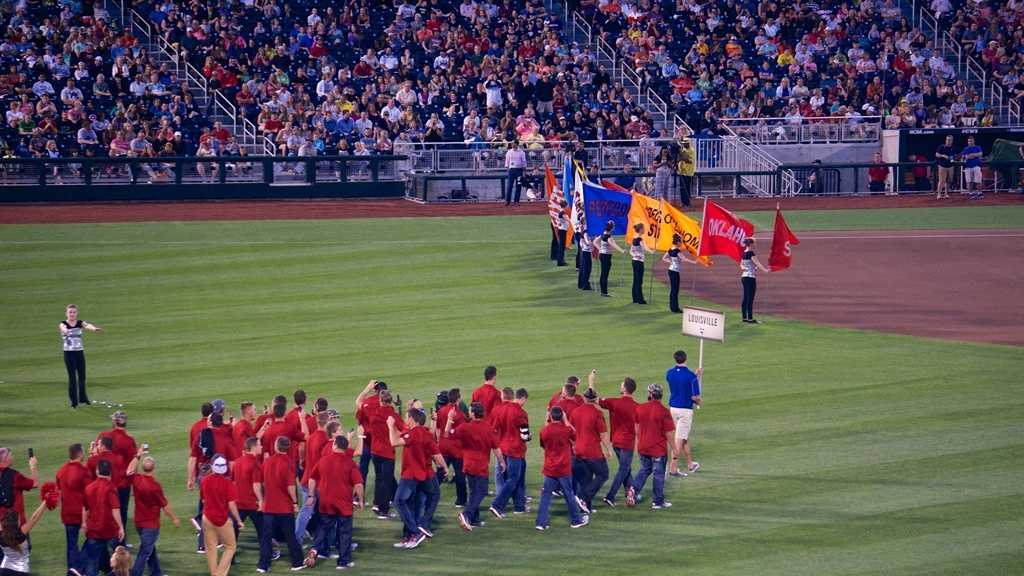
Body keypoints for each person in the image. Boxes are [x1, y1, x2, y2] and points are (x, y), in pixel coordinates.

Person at [387, 408, 446, 549]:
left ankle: (415, 531)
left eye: (407, 417)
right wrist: (444, 467)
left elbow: (393, 442)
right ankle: (411, 535)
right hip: (425, 474)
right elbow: (436, 453)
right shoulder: (425, 434)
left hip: (411, 475)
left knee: (399, 501)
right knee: (428, 497)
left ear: (413, 419)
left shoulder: (414, 434)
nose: (406, 420)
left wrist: (390, 426)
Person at [303, 435, 363, 570]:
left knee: (324, 528)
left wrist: (311, 495)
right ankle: (343, 562)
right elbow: (358, 484)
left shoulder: (323, 460)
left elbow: (312, 479)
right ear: (346, 447)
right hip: (343, 504)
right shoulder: (350, 463)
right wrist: (360, 500)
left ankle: (315, 549)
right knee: (344, 532)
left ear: (334, 445)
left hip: (326, 502)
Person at [446, 402, 500, 530]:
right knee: (481, 491)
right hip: (481, 466)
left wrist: (449, 419)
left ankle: (474, 519)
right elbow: (496, 448)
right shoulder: (488, 428)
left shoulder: (465, 427)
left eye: (470, 411)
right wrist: (502, 462)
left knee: (474, 491)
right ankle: (467, 514)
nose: (468, 412)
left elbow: (447, 433)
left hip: (468, 464)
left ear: (473, 413)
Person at [126, 449, 180, 576]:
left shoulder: (136, 479)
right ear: (154, 468)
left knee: (150, 548)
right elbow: (164, 505)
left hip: (138, 522)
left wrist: (137, 456)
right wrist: (174, 518)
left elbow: (129, 469)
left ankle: (156, 573)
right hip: (150, 525)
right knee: (145, 551)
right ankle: (135, 574)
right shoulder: (155, 486)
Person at [535, 407, 588, 531]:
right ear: (562, 416)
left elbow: (543, 445)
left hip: (550, 468)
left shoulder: (544, 430)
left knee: (546, 496)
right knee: (569, 494)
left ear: (551, 417)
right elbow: (575, 436)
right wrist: (566, 420)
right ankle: (576, 520)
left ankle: (540, 523)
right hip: (563, 468)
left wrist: (546, 421)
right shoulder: (566, 430)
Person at [257, 438, 303, 573]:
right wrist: (295, 502)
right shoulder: (289, 463)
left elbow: (262, 483)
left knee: (266, 537)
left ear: (276, 446)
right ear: (288, 448)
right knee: (290, 536)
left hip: (269, 506)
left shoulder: (267, 461)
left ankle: (263, 565)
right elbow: (290, 486)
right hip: (284, 507)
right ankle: (297, 563)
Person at [626, 384, 675, 510]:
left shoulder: (640, 408)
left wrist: (640, 440)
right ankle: (657, 501)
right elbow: (669, 433)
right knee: (658, 475)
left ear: (650, 395)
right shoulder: (664, 411)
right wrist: (675, 449)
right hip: (658, 449)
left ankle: (633, 489)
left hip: (643, 446)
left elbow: (636, 428)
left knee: (644, 470)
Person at [597, 377, 640, 506]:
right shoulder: (637, 407)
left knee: (625, 468)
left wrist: (591, 383)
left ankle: (631, 491)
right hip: (627, 443)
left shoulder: (613, 402)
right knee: (624, 469)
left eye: (622, 384)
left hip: (615, 441)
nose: (620, 386)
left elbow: (595, 399)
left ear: (624, 388)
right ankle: (610, 496)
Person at [488, 389, 529, 517]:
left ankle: (519, 506)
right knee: (513, 479)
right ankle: (497, 505)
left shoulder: (496, 410)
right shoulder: (520, 412)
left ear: (502, 396)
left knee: (516, 478)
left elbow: (492, 430)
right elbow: (525, 435)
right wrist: (529, 437)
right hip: (515, 450)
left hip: (501, 449)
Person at [97, 411, 137, 544]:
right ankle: (120, 543)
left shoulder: (103, 436)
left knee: (105, 512)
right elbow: (133, 464)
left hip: (104, 482)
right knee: (121, 513)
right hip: (122, 484)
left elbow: (95, 455)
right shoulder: (129, 441)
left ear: (114, 422)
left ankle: (107, 540)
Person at [570, 387, 612, 513]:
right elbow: (603, 434)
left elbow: (571, 431)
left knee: (586, 478)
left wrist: (574, 444)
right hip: (593, 451)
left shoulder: (575, 412)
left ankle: (585, 507)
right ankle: (583, 498)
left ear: (584, 398)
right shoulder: (597, 413)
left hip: (578, 450)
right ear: (595, 399)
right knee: (603, 474)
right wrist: (608, 449)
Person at [80, 459, 125, 576]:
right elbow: (115, 509)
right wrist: (120, 527)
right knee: (121, 559)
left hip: (94, 531)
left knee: (91, 563)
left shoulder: (89, 488)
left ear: (97, 471)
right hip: (110, 530)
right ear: (110, 472)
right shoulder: (111, 488)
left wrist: (84, 523)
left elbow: (86, 508)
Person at [200, 455, 241, 576]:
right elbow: (232, 505)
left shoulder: (205, 480)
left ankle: (214, 573)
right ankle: (218, 574)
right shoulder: (228, 484)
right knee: (230, 546)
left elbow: (203, 500)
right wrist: (238, 520)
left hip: (207, 517)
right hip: (222, 520)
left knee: (211, 548)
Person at [666, 350, 703, 477]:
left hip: (673, 409)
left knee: (684, 438)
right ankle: (673, 468)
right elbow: (695, 397)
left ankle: (690, 464)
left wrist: (696, 377)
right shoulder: (690, 376)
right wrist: (699, 401)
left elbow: (680, 386)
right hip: (685, 411)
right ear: (686, 359)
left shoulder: (669, 373)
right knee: (679, 440)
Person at [57, 443, 92, 572]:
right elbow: (90, 493)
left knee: (71, 545)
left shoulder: (61, 470)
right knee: (94, 540)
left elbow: (59, 491)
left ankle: (71, 571)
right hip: (82, 513)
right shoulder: (84, 471)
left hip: (66, 513)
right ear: (80, 454)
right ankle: (79, 567)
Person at [60, 304, 102, 408]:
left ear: (76, 313)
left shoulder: (79, 323)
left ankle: (83, 398)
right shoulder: (63, 323)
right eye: (70, 312)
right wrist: (65, 331)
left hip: (79, 352)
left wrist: (94, 329)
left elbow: (87, 325)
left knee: (82, 377)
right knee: (72, 378)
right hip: (69, 354)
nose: (72, 314)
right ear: (66, 313)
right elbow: (63, 328)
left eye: (74, 312)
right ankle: (74, 402)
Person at [367, 388, 399, 520]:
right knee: (386, 481)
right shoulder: (392, 415)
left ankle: (377, 503)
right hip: (387, 453)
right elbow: (402, 428)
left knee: (379, 478)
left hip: (375, 451)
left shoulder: (373, 414)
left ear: (380, 400)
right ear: (390, 401)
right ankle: (383, 510)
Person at [0, 498, 51, 574]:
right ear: (17, 522)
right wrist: (45, 501)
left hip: (4, 570)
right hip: (21, 571)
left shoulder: (1, 534)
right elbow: (34, 518)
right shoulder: (21, 532)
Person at [435, 389, 467, 508]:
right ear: (458, 399)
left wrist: (439, 442)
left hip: (443, 446)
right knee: (460, 474)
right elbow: (462, 433)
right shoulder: (460, 414)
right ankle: (461, 500)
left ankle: (429, 493)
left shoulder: (441, 411)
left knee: (440, 472)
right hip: (456, 448)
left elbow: (438, 429)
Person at [232, 437, 263, 553]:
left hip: (238, 503)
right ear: (253, 447)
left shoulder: (237, 462)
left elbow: (233, 482)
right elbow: (256, 485)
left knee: (234, 533)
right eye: (260, 445)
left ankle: (230, 558)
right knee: (262, 531)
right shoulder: (255, 463)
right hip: (252, 504)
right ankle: (267, 555)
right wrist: (261, 500)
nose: (262, 447)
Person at [354, 380, 386, 486]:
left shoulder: (367, 403)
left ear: (374, 390)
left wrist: (367, 388)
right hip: (380, 442)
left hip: (365, 440)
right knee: (382, 470)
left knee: (363, 468)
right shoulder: (386, 404)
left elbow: (358, 406)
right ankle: (389, 495)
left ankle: (358, 496)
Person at [0, 448, 38, 529]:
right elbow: (34, 483)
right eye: (10, 455)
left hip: (1, 525)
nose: (12, 458)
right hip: (17, 524)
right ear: (6, 459)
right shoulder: (15, 476)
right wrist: (33, 467)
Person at [662, 234, 697, 313]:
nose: (681, 243)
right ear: (677, 242)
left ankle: (673, 307)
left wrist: (670, 261)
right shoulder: (677, 251)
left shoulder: (670, 249)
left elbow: (663, 258)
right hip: (674, 272)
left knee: (673, 290)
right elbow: (684, 259)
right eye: (680, 242)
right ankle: (675, 308)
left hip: (671, 270)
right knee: (675, 290)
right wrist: (694, 262)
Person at [740, 238, 771, 323]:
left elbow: (741, 265)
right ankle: (750, 318)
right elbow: (758, 263)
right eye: (754, 243)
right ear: (750, 244)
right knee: (750, 298)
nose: (755, 244)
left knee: (745, 297)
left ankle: (744, 317)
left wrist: (748, 268)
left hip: (744, 277)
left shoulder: (744, 253)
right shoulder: (751, 253)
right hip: (750, 278)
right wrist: (765, 270)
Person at [592, 220, 626, 297]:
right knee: (605, 274)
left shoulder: (602, 235)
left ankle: (603, 291)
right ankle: (604, 292)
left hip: (602, 255)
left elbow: (595, 242)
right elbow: (613, 244)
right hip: (606, 256)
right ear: (612, 228)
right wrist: (622, 251)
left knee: (603, 273)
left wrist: (600, 248)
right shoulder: (608, 237)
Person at [629, 223, 656, 305]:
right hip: (639, 262)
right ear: (640, 229)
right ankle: (640, 300)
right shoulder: (640, 239)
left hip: (634, 261)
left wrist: (635, 255)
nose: (644, 230)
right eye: (643, 228)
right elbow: (645, 247)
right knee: (639, 281)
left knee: (635, 280)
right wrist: (652, 251)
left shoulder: (634, 238)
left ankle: (635, 298)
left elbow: (631, 251)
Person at [504, 140, 527, 205]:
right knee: (509, 186)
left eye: (513, 144)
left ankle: (516, 201)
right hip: (511, 170)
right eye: (512, 144)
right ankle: (507, 201)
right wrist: (508, 169)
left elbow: (524, 162)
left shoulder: (521, 152)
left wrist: (524, 172)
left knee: (518, 185)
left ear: (517, 144)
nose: (512, 145)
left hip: (519, 170)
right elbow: (507, 161)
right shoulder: (509, 152)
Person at [935, 135, 955, 199]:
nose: (948, 141)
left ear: (952, 141)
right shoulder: (941, 147)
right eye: (947, 140)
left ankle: (946, 194)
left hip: (950, 166)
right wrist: (943, 155)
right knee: (941, 180)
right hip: (942, 166)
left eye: (949, 140)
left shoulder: (953, 148)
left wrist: (952, 160)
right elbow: (937, 154)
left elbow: (953, 157)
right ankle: (939, 194)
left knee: (949, 180)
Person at [552, 201, 569, 267]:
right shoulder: (562, 212)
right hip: (562, 230)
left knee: (562, 246)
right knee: (562, 246)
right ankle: (560, 261)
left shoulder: (561, 212)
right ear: (565, 205)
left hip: (561, 230)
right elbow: (567, 220)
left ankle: (561, 260)